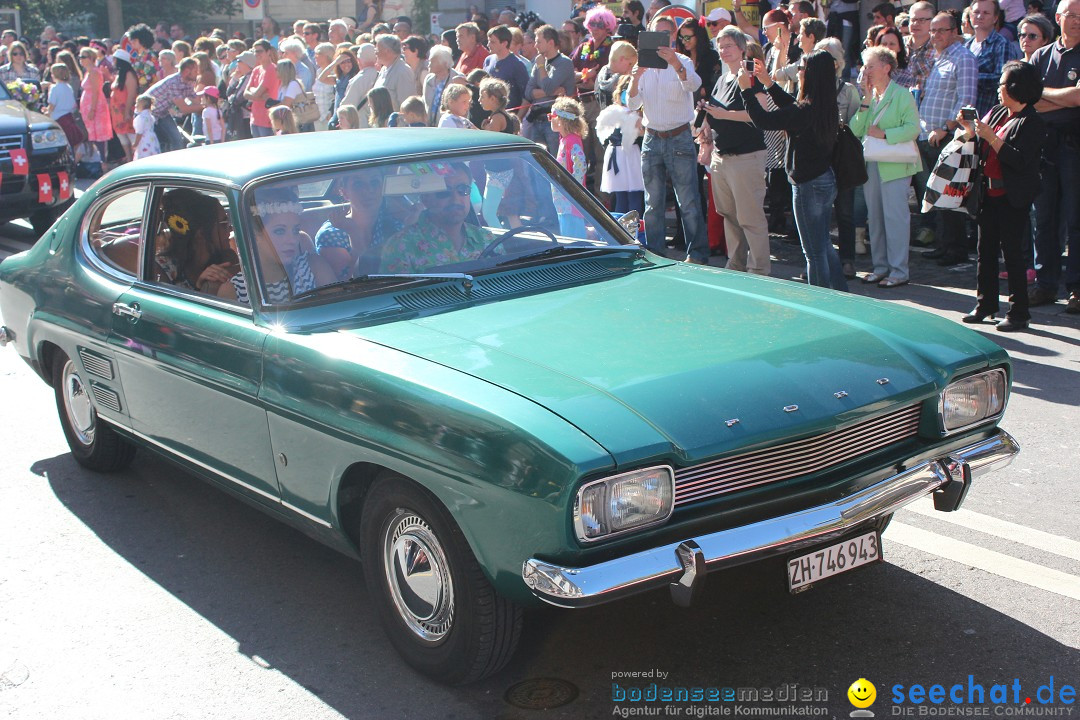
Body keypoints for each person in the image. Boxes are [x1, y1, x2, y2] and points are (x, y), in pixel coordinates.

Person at [742, 51, 847, 291]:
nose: (798, 72)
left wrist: (746, 90)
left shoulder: (806, 110)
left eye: (802, 68)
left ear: (810, 74)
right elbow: (791, 106)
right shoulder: (822, 103)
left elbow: (764, 121)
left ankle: (821, 302)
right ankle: (842, 295)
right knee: (823, 245)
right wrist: (767, 82)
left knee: (813, 252)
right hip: (825, 179)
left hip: (808, 184)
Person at [960, 60, 1045, 330]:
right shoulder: (998, 112)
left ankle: (1019, 312)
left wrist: (993, 138)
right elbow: (978, 141)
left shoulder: (1031, 121)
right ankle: (985, 304)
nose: (999, 89)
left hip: (1012, 195)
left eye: (1003, 84)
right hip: (988, 191)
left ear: (1016, 87)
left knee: (1013, 255)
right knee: (984, 251)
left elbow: (1019, 161)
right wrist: (970, 129)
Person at [627, 15, 708, 264]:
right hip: (652, 138)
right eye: (655, 33)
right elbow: (631, 103)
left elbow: (693, 85)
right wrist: (635, 77)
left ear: (672, 37)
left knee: (688, 200)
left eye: (665, 34)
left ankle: (697, 254)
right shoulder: (644, 64)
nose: (660, 39)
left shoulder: (682, 60)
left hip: (679, 135)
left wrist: (676, 63)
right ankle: (656, 253)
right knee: (653, 203)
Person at [700, 26, 771, 275]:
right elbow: (716, 112)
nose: (723, 50)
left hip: (746, 156)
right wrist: (707, 129)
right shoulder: (721, 78)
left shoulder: (749, 75)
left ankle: (759, 270)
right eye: (720, 45)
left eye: (729, 45)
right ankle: (737, 265)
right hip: (722, 156)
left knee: (750, 218)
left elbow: (761, 112)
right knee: (729, 216)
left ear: (742, 48)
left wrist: (724, 115)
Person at [851, 46, 922, 288]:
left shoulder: (901, 95)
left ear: (886, 68)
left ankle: (899, 271)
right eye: (864, 66)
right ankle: (880, 267)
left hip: (896, 167)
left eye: (870, 66)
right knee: (876, 220)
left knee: (895, 220)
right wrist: (865, 100)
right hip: (873, 165)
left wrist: (885, 134)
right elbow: (855, 130)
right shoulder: (871, 97)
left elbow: (913, 128)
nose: (866, 71)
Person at [1028, 0, 1080, 312]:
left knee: (1076, 219)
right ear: (1058, 18)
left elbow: (1079, 97)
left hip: (1074, 145)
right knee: (1043, 218)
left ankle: (1076, 288)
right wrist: (1068, 98)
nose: (1076, 21)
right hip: (1043, 145)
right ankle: (1045, 284)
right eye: (1071, 15)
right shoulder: (1040, 55)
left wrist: (1042, 93)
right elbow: (1024, 99)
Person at [917, 12, 978, 267]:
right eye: (933, 31)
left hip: (949, 138)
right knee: (939, 195)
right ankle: (944, 244)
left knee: (951, 196)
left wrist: (945, 127)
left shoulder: (963, 58)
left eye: (941, 30)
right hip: (930, 137)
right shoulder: (939, 58)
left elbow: (966, 100)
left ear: (955, 31)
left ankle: (956, 249)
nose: (936, 35)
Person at [221, 188, 335, 305]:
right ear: (256, 235)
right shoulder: (234, 291)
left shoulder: (314, 267)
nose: (292, 240)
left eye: (295, 230)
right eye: (280, 231)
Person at [379, 163, 493, 274]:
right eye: (444, 191)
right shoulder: (402, 247)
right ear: (425, 199)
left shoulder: (487, 239)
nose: (455, 199)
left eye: (462, 189)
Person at [315, 167, 398, 279]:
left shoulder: (394, 224)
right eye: (358, 184)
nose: (369, 190)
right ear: (345, 193)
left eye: (374, 182)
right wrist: (353, 233)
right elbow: (351, 285)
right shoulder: (331, 235)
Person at [153, 189, 237, 295]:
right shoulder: (162, 269)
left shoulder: (227, 258)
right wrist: (201, 287)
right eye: (224, 223)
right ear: (201, 234)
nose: (230, 229)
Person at [596, 52, 645, 217]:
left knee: (629, 195)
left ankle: (629, 230)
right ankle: (627, 230)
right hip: (624, 156)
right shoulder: (622, 113)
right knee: (627, 195)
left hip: (624, 156)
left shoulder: (626, 113)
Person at [523, 25, 577, 155]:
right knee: (539, 161)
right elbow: (528, 92)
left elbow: (548, 86)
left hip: (557, 121)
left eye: (539, 42)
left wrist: (541, 66)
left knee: (556, 161)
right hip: (537, 119)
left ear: (551, 42)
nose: (536, 46)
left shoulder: (564, 63)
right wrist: (551, 92)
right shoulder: (539, 62)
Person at [966, 0, 1024, 115]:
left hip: (987, 117)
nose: (980, 16)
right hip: (963, 119)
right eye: (976, 12)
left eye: (986, 13)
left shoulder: (1002, 44)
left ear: (995, 18)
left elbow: (1003, 81)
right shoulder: (966, 46)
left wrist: (969, 78)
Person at [550, 97, 589, 236]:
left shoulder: (572, 141)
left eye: (552, 116)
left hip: (570, 202)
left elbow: (580, 165)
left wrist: (572, 189)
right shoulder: (564, 140)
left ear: (562, 119)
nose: (550, 119)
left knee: (575, 238)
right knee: (567, 233)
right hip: (563, 202)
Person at [77, 47, 112, 163]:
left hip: (95, 106)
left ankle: (103, 161)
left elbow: (96, 91)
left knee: (98, 134)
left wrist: (92, 109)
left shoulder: (94, 72)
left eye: (83, 57)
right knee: (92, 133)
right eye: (80, 56)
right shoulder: (88, 72)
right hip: (88, 106)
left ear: (91, 58)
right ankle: (97, 159)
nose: (80, 59)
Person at [483, 24, 529, 113]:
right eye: (488, 41)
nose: (488, 45)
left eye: (493, 42)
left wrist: (517, 119)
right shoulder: (488, 60)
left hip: (509, 115)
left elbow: (526, 96)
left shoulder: (517, 65)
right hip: (489, 115)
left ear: (504, 43)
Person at [245, 41, 280, 138]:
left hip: (267, 119)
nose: (257, 54)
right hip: (255, 118)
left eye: (260, 51)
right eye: (255, 51)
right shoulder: (256, 69)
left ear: (268, 52)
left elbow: (255, 93)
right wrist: (258, 95)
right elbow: (245, 94)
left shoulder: (272, 69)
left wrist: (253, 91)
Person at [424, 44, 465, 127]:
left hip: (450, 126)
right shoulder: (429, 79)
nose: (429, 64)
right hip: (431, 126)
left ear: (444, 63)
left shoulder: (457, 79)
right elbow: (426, 103)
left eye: (432, 61)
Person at [338, 44, 378, 127]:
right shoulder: (382, 75)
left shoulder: (358, 79)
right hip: (377, 124)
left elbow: (346, 106)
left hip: (361, 125)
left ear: (358, 60)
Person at [110, 49, 138, 164]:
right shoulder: (119, 75)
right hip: (117, 112)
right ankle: (128, 158)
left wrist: (127, 111)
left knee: (130, 135)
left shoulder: (129, 74)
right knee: (122, 136)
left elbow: (131, 94)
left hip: (126, 110)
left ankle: (135, 159)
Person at [132, 94, 160, 159]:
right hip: (152, 140)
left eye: (137, 103)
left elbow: (139, 132)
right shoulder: (150, 116)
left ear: (141, 105)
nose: (135, 105)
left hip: (144, 141)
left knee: (143, 158)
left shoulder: (140, 118)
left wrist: (135, 143)